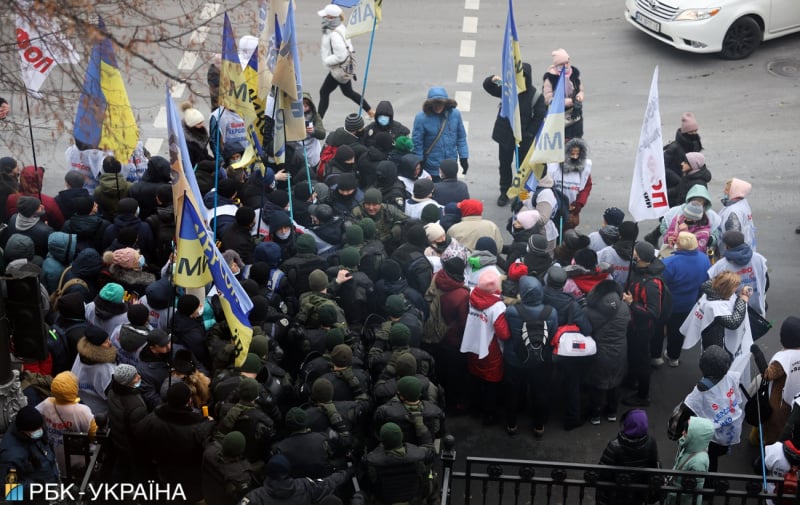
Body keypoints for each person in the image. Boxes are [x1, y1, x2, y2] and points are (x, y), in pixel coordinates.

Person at [670, 345, 744, 473]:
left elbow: (680, 415)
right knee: (712, 460)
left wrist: (676, 435)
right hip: (728, 436)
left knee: (705, 460)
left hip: (707, 439)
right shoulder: (731, 377)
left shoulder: (699, 393)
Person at [482, 62, 546, 206]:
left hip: (523, 140)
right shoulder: (507, 89)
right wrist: (492, 79)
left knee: (522, 169)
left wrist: (528, 136)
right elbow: (488, 87)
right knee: (504, 165)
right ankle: (504, 192)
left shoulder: (535, 96)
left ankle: (522, 195)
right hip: (505, 136)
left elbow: (539, 117)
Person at [460, 269, 510, 425]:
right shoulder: (497, 306)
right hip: (490, 349)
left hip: (471, 344)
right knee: (491, 383)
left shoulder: (472, 296)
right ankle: (489, 415)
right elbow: (503, 333)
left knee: (475, 378)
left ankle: (475, 409)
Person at [622, 242, 666, 407]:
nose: (632, 252)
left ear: (640, 257)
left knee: (642, 361)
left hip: (643, 328)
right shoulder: (638, 270)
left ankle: (643, 395)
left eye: (635, 251)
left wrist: (632, 303)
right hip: (634, 325)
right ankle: (631, 380)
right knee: (633, 356)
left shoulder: (652, 283)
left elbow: (654, 312)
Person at [661, 232, 711, 367]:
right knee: (678, 331)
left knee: (663, 328)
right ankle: (673, 357)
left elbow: (660, 282)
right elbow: (706, 280)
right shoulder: (704, 259)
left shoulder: (669, 263)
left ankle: (658, 354)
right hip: (690, 302)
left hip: (669, 303)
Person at [35, 371, 97, 475]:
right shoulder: (82, 411)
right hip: (79, 461)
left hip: (53, 457)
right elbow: (94, 434)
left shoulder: (46, 404)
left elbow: (35, 419)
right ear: (74, 389)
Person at [585, 280, 629, 424]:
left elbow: (585, 329)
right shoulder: (624, 308)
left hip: (599, 352)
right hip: (620, 351)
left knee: (598, 383)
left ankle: (595, 414)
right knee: (615, 382)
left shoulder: (589, 311)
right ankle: (612, 412)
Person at [316, 4, 373, 119]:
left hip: (339, 70)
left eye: (326, 16)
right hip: (345, 69)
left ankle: (318, 121)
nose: (323, 19)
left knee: (324, 92)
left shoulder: (334, 35)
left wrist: (327, 61)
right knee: (348, 92)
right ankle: (370, 111)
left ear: (332, 18)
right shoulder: (340, 28)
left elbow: (341, 56)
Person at [680, 270, 751, 356]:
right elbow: (733, 322)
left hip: (712, 336)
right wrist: (742, 300)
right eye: (735, 286)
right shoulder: (715, 306)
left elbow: (717, 282)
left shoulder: (712, 291)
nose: (737, 288)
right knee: (716, 364)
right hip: (716, 342)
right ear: (727, 289)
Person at [597, 409, 659, 505]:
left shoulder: (614, 446)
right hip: (638, 494)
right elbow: (653, 466)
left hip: (615, 494)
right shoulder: (651, 442)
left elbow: (603, 473)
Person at [412, 87, 469, 181]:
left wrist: (464, 157)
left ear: (446, 103)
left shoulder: (455, 115)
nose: (438, 107)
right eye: (435, 104)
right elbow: (417, 143)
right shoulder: (421, 118)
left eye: (440, 104)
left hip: (450, 167)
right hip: (432, 168)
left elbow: (461, 138)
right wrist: (419, 161)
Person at [707, 230, 768, 315]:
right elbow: (766, 282)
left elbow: (713, 289)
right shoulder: (759, 259)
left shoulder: (721, 266)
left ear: (727, 246)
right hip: (757, 309)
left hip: (733, 313)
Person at [761, 317, 800, 445]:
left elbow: (768, 375)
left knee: (775, 428)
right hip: (797, 400)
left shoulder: (782, 359)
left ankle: (770, 452)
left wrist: (758, 356)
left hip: (780, 403)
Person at [0, 405, 60, 486]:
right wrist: (35, 488)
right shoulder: (11, 455)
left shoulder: (35, 429)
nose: (39, 431)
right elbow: (10, 489)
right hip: (36, 495)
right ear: (23, 431)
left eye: (40, 427)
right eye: (34, 430)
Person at [664, 416, 715, 505]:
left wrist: (670, 492)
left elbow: (691, 492)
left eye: (686, 431)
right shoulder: (692, 446)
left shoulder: (698, 463)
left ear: (695, 435)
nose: (683, 432)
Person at [546, 138, 592, 228]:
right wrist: (559, 204)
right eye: (572, 154)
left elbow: (586, 187)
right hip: (554, 207)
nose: (575, 157)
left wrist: (579, 204)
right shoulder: (553, 167)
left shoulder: (583, 169)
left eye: (577, 154)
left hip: (572, 209)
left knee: (569, 233)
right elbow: (548, 187)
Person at [543, 48, 584, 140]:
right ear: (557, 65)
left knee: (576, 143)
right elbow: (548, 99)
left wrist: (579, 97)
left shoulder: (574, 74)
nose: (566, 65)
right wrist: (566, 102)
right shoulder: (550, 78)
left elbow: (580, 89)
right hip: (558, 116)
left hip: (575, 114)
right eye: (562, 64)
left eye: (567, 62)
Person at [663, 112, 703, 204]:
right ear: (685, 132)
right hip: (673, 186)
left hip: (688, 184)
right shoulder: (673, 148)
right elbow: (664, 168)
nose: (694, 134)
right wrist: (679, 180)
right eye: (691, 132)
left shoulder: (695, 144)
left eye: (695, 131)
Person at [717, 177, 757, 254]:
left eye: (727, 190)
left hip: (732, 255)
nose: (724, 192)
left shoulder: (733, 212)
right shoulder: (743, 204)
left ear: (734, 191)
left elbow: (733, 240)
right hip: (747, 250)